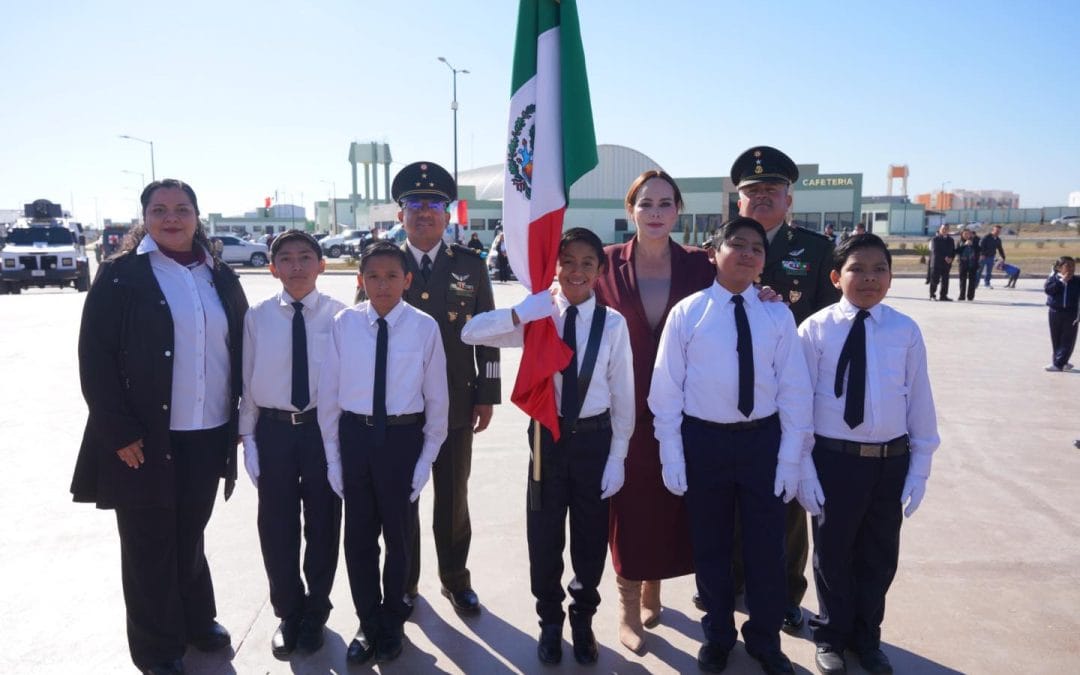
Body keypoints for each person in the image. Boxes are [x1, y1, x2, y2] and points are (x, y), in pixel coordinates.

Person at [70, 179, 249, 675]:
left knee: (189, 532)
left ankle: (196, 620)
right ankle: (156, 647)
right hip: (144, 437)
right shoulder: (122, 275)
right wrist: (119, 431)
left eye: (182, 209)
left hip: (208, 430)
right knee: (148, 541)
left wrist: (239, 416)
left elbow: (237, 348)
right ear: (144, 217)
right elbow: (96, 358)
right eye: (160, 209)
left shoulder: (220, 273)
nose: (172, 218)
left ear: (197, 215)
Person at [461, 227, 635, 665]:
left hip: (595, 440)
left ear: (600, 271)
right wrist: (521, 313)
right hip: (546, 440)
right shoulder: (540, 315)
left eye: (587, 264)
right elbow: (471, 334)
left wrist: (619, 456)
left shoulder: (613, 324)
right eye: (568, 261)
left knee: (591, 539)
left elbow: (623, 395)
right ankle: (550, 622)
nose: (576, 271)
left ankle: (582, 618)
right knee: (544, 537)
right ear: (554, 266)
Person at [650, 216, 814, 675]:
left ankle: (764, 639)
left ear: (764, 260)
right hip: (705, 442)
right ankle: (718, 634)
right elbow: (666, 389)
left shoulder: (776, 313)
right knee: (712, 545)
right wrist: (672, 452)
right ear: (713, 253)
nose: (747, 254)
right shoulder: (689, 312)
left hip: (763, 441)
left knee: (767, 547)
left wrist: (791, 458)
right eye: (737, 245)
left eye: (756, 248)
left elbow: (794, 389)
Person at [358, 161, 499, 616]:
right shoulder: (383, 266)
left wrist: (487, 395)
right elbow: (362, 335)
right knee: (404, 500)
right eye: (414, 204)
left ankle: (456, 579)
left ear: (448, 213)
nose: (424, 212)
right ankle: (405, 582)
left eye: (434, 204)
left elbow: (489, 333)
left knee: (453, 498)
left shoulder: (470, 266)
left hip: (457, 402)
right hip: (400, 408)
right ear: (400, 214)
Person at [797, 233, 940, 675]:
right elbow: (798, 404)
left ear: (891, 278)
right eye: (858, 269)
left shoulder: (904, 330)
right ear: (837, 276)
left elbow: (919, 400)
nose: (869, 278)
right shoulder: (815, 329)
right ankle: (831, 635)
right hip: (835, 460)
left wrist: (920, 468)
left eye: (880, 269)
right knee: (833, 554)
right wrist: (803, 467)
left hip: (889, 462)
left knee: (879, 557)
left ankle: (867, 637)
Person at [593, 170, 715, 652]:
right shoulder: (604, 263)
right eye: (646, 203)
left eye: (666, 203)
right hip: (621, 407)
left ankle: (655, 586)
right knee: (627, 506)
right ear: (631, 210)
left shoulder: (701, 265)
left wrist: (764, 294)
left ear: (679, 210)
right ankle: (626, 608)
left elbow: (734, 301)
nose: (656, 212)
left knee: (669, 502)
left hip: (681, 408)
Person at [318, 241, 449, 664]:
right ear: (361, 280)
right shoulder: (344, 324)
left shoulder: (424, 327)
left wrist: (427, 456)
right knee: (358, 538)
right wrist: (334, 457)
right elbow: (329, 395)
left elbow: (437, 398)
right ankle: (367, 620)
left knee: (398, 537)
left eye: (392, 276)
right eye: (373, 276)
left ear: (407, 280)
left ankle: (393, 620)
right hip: (356, 437)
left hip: (401, 439)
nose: (382, 284)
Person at [730, 145, 839, 632]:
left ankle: (786, 591)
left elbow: (835, 323)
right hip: (732, 397)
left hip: (796, 397)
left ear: (789, 198)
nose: (762, 198)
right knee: (732, 494)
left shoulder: (816, 251)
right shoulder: (722, 246)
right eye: (752, 192)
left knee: (790, 499)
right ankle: (731, 582)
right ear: (739, 202)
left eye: (771, 191)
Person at [239, 230, 344, 657]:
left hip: (323, 430)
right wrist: (247, 436)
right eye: (286, 259)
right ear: (272, 268)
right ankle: (288, 611)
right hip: (275, 430)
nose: (297, 266)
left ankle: (316, 611)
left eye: (306, 257)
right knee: (276, 525)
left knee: (323, 523)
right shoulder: (257, 317)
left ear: (321, 264)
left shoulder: (342, 315)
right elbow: (247, 379)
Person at [1043, 256, 1080, 372]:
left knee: (1068, 339)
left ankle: (1059, 364)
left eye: (1073, 266)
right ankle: (1061, 361)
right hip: (1055, 312)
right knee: (1056, 339)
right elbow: (1049, 290)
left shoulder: (1077, 280)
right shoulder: (1053, 279)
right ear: (1059, 268)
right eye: (1068, 266)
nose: (1071, 269)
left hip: (1071, 313)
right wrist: (1063, 281)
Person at [928, 223, 956, 301]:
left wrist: (951, 258)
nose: (945, 230)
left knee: (945, 281)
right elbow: (935, 251)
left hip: (946, 264)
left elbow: (953, 251)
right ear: (940, 229)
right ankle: (932, 295)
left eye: (946, 229)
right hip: (937, 263)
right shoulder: (935, 239)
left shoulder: (951, 240)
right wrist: (945, 257)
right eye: (943, 229)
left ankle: (943, 296)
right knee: (935, 280)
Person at [955, 227, 981, 301]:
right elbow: (957, 251)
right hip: (963, 264)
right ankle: (962, 296)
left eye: (968, 234)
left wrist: (973, 245)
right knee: (962, 280)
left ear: (971, 234)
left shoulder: (975, 241)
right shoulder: (959, 241)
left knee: (972, 281)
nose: (967, 235)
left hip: (973, 263)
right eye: (965, 234)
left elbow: (979, 250)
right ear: (962, 234)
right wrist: (964, 245)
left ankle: (970, 296)